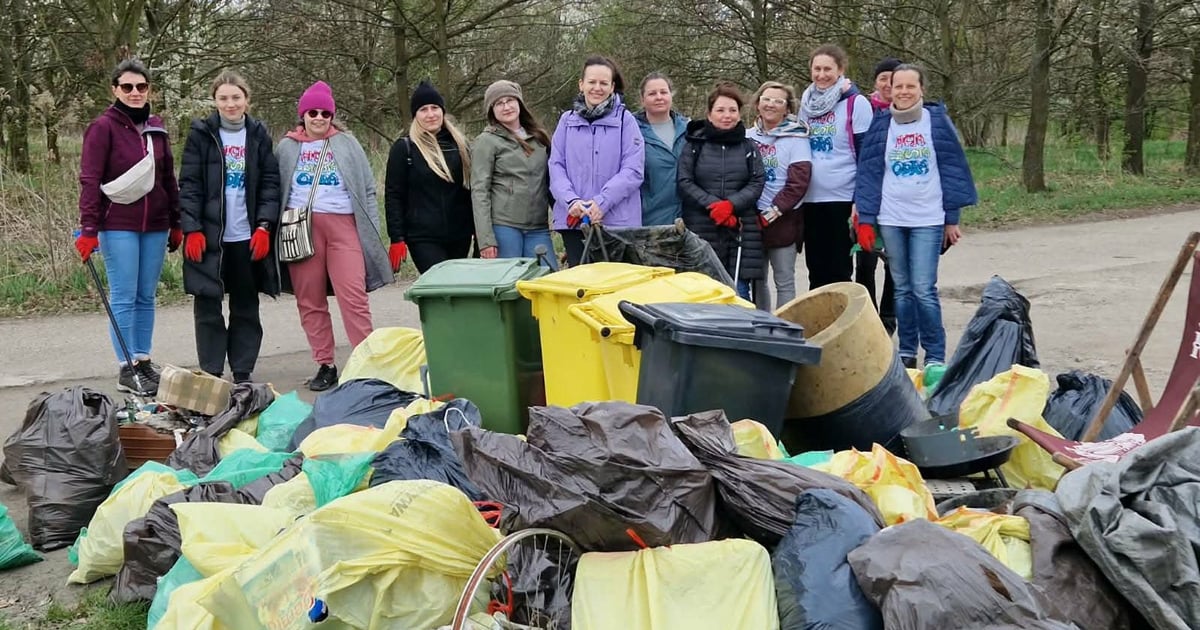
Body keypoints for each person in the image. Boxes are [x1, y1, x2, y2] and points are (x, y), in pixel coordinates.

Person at [854, 64, 978, 369]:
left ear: (922, 89)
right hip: (891, 218)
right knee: (902, 288)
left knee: (923, 288)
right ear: (890, 90)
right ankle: (907, 351)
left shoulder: (936, 121)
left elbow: (952, 170)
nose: (904, 92)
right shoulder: (881, 124)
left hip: (928, 218)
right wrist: (866, 219)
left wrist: (952, 218)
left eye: (911, 86)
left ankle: (935, 355)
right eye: (899, 86)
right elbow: (869, 173)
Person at [276, 80, 393, 391]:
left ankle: (365, 363)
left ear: (332, 115)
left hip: (344, 225)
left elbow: (367, 189)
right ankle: (325, 363)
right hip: (301, 226)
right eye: (312, 112)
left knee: (353, 296)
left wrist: (371, 232)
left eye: (325, 113)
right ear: (302, 115)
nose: (318, 118)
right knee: (310, 299)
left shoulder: (347, 143)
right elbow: (276, 190)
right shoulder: (287, 147)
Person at [75, 58, 181, 396]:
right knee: (123, 295)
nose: (135, 92)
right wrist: (89, 229)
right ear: (115, 89)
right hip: (117, 223)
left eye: (141, 86)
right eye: (127, 87)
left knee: (145, 295)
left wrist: (176, 221)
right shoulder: (102, 128)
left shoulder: (157, 129)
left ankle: (143, 360)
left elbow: (168, 178)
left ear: (149, 89)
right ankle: (126, 366)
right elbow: (90, 179)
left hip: (156, 224)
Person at [178, 70, 281, 384]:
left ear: (247, 99)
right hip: (210, 237)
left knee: (245, 304)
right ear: (215, 101)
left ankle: (242, 369)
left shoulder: (258, 134)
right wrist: (191, 228)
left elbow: (270, 184)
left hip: (246, 236)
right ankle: (212, 370)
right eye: (223, 98)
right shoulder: (201, 134)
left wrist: (264, 226)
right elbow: (189, 184)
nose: (230, 104)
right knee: (207, 304)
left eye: (236, 97)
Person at [549, 55, 645, 266]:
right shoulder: (566, 121)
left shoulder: (626, 121)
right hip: (575, 222)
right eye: (592, 82)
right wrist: (571, 201)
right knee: (579, 282)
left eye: (603, 83)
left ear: (612, 87)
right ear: (581, 84)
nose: (597, 88)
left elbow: (633, 170)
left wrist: (602, 202)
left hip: (617, 224)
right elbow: (556, 166)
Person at [678, 82, 766, 305]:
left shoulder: (749, 147)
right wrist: (713, 205)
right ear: (709, 114)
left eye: (732, 110)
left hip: (740, 229)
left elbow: (757, 182)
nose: (727, 115)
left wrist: (731, 205)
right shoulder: (694, 144)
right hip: (701, 227)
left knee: (739, 293)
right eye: (720, 110)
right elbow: (685, 181)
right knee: (703, 295)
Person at [798, 43, 873, 289]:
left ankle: (841, 313)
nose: (821, 75)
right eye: (817, 69)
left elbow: (866, 157)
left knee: (839, 270)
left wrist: (860, 200)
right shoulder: (806, 105)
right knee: (816, 270)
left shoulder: (856, 103)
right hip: (811, 198)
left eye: (827, 69)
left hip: (842, 197)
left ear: (840, 70)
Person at [385, 80, 475, 274]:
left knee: (456, 287)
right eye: (423, 109)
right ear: (415, 115)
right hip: (423, 237)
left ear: (442, 111)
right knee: (439, 285)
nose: (430, 114)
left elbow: (471, 192)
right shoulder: (405, 148)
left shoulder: (461, 146)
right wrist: (396, 238)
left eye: (435, 108)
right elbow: (394, 195)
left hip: (460, 234)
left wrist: (479, 233)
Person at [469, 79, 556, 268]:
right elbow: (479, 191)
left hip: (538, 227)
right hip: (504, 227)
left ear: (519, 103)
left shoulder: (539, 138)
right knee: (509, 282)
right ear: (491, 110)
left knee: (548, 277)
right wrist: (486, 239)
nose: (506, 107)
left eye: (510, 100)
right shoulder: (486, 141)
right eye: (499, 103)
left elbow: (551, 182)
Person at [747, 80, 812, 310]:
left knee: (784, 280)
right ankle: (762, 325)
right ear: (757, 104)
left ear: (787, 108)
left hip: (784, 219)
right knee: (757, 280)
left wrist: (772, 212)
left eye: (778, 101)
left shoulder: (797, 138)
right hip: (751, 218)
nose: (771, 105)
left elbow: (798, 184)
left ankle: (785, 326)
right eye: (766, 99)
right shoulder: (747, 136)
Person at [856, 56, 902, 335]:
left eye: (893, 79)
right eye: (883, 78)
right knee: (865, 261)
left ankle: (888, 321)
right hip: (868, 197)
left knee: (895, 263)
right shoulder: (864, 110)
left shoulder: (910, 114)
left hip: (898, 201)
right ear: (875, 82)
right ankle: (869, 319)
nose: (888, 84)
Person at [634, 72, 689, 226]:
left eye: (663, 92)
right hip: (649, 221)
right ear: (642, 99)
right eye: (652, 93)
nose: (659, 97)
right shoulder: (631, 131)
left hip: (688, 221)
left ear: (671, 95)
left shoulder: (688, 130)